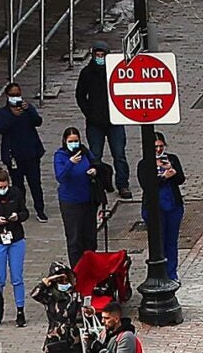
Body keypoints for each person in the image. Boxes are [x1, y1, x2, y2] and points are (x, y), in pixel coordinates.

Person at [32, 259, 87, 353]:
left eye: (65, 277)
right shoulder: (49, 295)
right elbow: (35, 294)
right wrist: (47, 281)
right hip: (55, 337)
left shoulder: (75, 294)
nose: (63, 281)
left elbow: (81, 315)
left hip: (72, 337)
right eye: (60, 278)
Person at [76, 44, 129, 184]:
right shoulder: (86, 73)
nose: (100, 58)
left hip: (115, 121)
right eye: (97, 55)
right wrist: (89, 113)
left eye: (102, 55)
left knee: (119, 155)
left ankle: (123, 184)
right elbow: (80, 95)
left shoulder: (115, 71)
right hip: (95, 123)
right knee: (95, 155)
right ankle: (99, 184)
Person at [0, 83, 48, 218]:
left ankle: (40, 209)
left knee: (35, 183)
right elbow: (2, 128)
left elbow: (38, 121)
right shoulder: (3, 113)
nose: (16, 97)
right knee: (18, 185)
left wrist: (29, 109)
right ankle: (22, 210)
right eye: (12, 95)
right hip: (14, 155)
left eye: (17, 94)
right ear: (7, 96)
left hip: (31, 153)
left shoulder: (27, 108)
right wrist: (13, 116)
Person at [140, 136, 187, 287]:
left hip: (173, 207)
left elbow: (180, 179)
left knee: (171, 241)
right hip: (154, 209)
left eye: (161, 146)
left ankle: (172, 273)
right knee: (158, 242)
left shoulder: (171, 159)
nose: (159, 150)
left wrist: (170, 171)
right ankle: (158, 274)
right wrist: (163, 178)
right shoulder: (144, 164)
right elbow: (147, 185)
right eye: (155, 147)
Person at [0, 167, 31, 327]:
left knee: (17, 278)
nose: (3, 189)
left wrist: (17, 216)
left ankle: (20, 311)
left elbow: (25, 212)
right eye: (0, 187)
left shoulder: (15, 193)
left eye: (5, 186)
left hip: (16, 238)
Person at [54, 130, 101, 263]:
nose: (74, 144)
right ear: (65, 141)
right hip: (71, 203)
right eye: (71, 141)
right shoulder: (60, 156)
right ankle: (77, 270)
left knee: (90, 237)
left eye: (76, 140)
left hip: (87, 200)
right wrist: (70, 163)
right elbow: (60, 177)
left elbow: (95, 163)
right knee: (75, 238)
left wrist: (94, 170)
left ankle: (90, 266)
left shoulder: (84, 151)